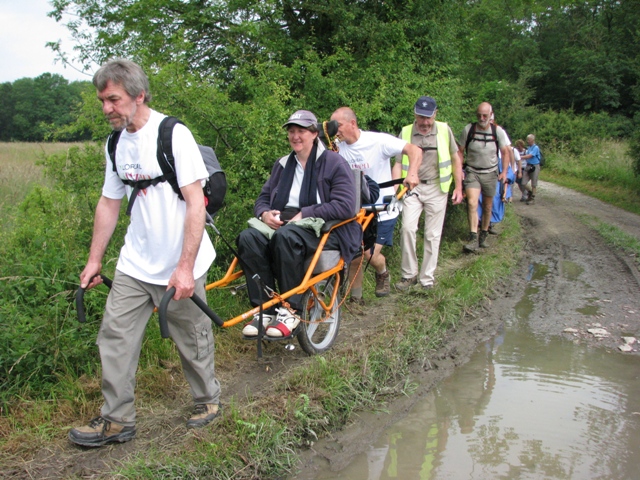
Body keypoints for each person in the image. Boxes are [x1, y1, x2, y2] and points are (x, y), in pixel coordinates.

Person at [68, 59, 221, 447]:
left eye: (113, 100)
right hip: (136, 263)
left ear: (138, 95)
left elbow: (195, 202)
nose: (107, 109)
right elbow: (109, 202)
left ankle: (208, 401)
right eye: (103, 100)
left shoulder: (173, 134)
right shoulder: (116, 143)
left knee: (193, 337)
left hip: (180, 262)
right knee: (114, 336)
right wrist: (94, 260)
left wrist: (185, 268)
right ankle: (117, 419)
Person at [237, 110, 361, 338]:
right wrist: (264, 214)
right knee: (248, 237)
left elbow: (345, 205)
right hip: (285, 222)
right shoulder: (283, 164)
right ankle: (265, 308)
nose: (295, 136)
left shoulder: (334, 162)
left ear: (314, 134)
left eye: (301, 131)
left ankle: (290, 308)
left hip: (324, 226)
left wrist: (305, 213)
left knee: (287, 236)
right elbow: (263, 198)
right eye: (291, 132)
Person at [329, 107, 422, 301]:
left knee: (369, 253)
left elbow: (414, 150)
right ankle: (356, 300)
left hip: (383, 209)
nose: (334, 131)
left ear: (352, 123)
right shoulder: (337, 150)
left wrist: (412, 173)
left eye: (338, 126)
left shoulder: (378, 141)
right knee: (355, 254)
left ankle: (382, 271)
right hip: (356, 211)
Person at [392, 96, 464, 291]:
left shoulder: (444, 130)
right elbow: (398, 163)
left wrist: (458, 187)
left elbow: (456, 158)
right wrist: (395, 191)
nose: (424, 122)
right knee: (407, 229)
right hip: (411, 189)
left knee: (432, 235)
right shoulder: (406, 132)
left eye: (428, 118)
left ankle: (427, 279)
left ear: (435, 115)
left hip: (437, 188)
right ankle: (409, 275)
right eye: (421, 117)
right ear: (415, 114)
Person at [459, 102, 511, 253]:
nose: (482, 118)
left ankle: (484, 234)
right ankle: (473, 237)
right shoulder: (468, 130)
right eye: (479, 115)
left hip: (490, 172)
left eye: (485, 116)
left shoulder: (497, 131)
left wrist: (504, 172)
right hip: (472, 171)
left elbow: (505, 152)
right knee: (472, 203)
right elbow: (460, 151)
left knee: (488, 206)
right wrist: (460, 170)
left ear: (490, 115)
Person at [520, 134, 541, 205]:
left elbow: (530, 156)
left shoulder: (536, 148)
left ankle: (532, 198)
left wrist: (521, 157)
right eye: (527, 139)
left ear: (532, 140)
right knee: (523, 182)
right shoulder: (529, 148)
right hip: (528, 166)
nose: (527, 141)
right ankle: (530, 192)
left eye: (528, 140)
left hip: (535, 166)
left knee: (533, 183)